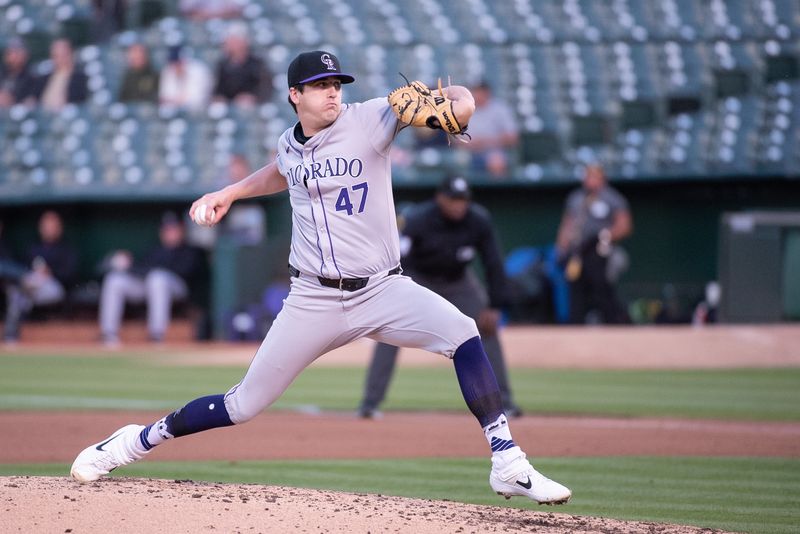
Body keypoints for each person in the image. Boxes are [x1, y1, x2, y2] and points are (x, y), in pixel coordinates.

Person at [70, 50, 571, 506]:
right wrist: (231, 192)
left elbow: (460, 106)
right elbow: (279, 170)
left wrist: (456, 102)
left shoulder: (372, 117)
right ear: (295, 95)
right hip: (313, 299)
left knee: (464, 331)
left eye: (337, 82)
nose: (333, 91)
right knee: (243, 405)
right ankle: (134, 441)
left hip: (382, 288)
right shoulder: (289, 145)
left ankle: (508, 462)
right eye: (320, 84)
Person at [358, 176, 522, 419]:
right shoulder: (418, 220)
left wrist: (496, 304)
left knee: (486, 329)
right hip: (418, 279)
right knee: (387, 332)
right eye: (453, 199)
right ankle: (370, 403)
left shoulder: (478, 220)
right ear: (440, 198)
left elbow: (493, 262)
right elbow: (397, 260)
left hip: (459, 281)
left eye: (463, 200)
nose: (458, 205)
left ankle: (504, 402)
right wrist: (387, 297)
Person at [98, 211, 206, 346]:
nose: (170, 233)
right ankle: (108, 334)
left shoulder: (190, 250)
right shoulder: (154, 249)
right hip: (149, 286)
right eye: (167, 229)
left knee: (158, 278)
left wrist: (153, 271)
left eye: (174, 229)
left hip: (177, 288)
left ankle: (156, 334)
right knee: (115, 279)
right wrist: (128, 264)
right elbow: (141, 268)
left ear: (182, 230)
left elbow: (187, 272)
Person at [555, 164, 632, 324]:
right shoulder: (576, 198)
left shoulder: (612, 198)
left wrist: (608, 234)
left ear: (603, 178)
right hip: (577, 250)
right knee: (575, 286)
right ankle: (576, 324)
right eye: (588, 176)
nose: (590, 180)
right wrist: (561, 246)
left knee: (600, 286)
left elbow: (624, 225)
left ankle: (612, 322)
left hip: (599, 249)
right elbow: (567, 224)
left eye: (595, 176)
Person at [3, 211, 78, 343]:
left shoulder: (66, 249)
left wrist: (50, 272)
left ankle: (13, 329)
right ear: (40, 228)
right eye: (46, 226)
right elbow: (24, 269)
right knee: (19, 290)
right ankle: (10, 335)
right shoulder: (33, 247)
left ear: (59, 228)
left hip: (54, 288)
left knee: (22, 290)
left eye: (52, 226)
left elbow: (70, 275)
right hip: (32, 287)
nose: (49, 229)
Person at [459, 81, 519, 179]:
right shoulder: (465, 110)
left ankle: (498, 193)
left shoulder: (500, 109)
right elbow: (455, 138)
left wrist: (486, 142)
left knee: (496, 161)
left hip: (494, 151)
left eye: (479, 92)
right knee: (459, 160)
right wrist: (469, 143)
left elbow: (513, 138)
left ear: (487, 93)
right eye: (475, 92)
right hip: (469, 152)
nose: (477, 95)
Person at [212, 23, 272, 107]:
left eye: (233, 40)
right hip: (228, 103)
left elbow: (265, 88)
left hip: (251, 104)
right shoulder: (222, 65)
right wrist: (219, 97)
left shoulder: (257, 64)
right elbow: (218, 89)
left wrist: (253, 97)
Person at [37, 38, 89, 111]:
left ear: (70, 54)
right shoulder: (44, 79)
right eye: (56, 56)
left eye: (63, 55)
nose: (60, 59)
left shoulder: (80, 78)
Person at [158, 45, 212, 113]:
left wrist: (176, 100)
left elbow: (197, 99)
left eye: (178, 62)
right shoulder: (168, 70)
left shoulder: (199, 70)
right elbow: (164, 97)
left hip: (198, 111)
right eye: (172, 63)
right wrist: (180, 100)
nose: (175, 66)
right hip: (173, 111)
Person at [0, 38, 39, 108]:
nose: (14, 57)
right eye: (11, 52)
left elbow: (30, 100)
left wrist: (12, 100)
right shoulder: (2, 72)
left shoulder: (32, 76)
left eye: (18, 52)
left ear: (25, 55)